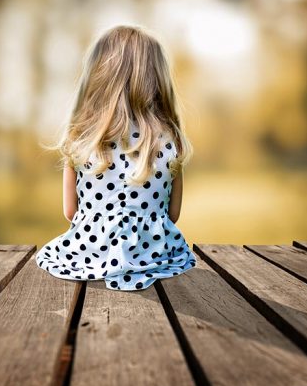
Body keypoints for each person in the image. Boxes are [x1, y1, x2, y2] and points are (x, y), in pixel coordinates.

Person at [35, 24, 196, 291]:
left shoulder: (81, 140)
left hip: (87, 255)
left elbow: (70, 212)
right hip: (156, 259)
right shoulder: (171, 141)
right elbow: (173, 214)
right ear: (158, 81)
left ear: (97, 77)